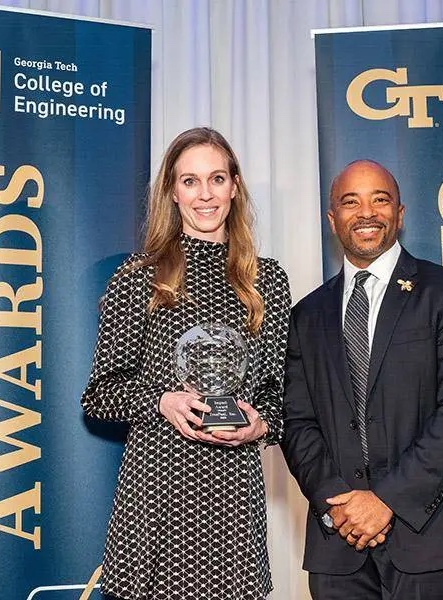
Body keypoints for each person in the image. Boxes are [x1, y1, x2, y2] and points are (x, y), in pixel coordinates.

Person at [81, 127, 290, 600]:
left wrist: (259, 426)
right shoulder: (138, 276)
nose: (205, 194)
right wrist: (161, 402)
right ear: (172, 192)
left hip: (233, 499)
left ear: (234, 186)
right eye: (190, 181)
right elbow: (99, 396)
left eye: (216, 179)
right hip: (157, 494)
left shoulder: (268, 281)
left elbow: (280, 398)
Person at [281, 159, 443, 599]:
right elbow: (296, 421)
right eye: (350, 202)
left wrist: (384, 500)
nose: (366, 213)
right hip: (338, 544)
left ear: (399, 213)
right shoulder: (307, 314)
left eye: (379, 200)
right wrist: (338, 503)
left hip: (431, 536)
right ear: (332, 218)